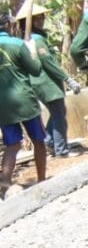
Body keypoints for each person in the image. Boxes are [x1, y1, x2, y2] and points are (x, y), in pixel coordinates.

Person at [20, 0, 82, 159]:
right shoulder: (37, 40)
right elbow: (48, 63)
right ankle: (61, 150)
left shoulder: (30, 39)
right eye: (37, 18)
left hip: (40, 83)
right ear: (30, 22)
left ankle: (50, 142)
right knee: (59, 114)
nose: (41, 20)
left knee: (57, 113)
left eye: (42, 17)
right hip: (46, 82)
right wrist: (68, 79)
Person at [0, 15, 47, 197]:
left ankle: (4, 185)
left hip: (3, 106)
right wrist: (32, 51)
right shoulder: (17, 44)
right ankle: (42, 180)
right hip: (24, 101)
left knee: (12, 145)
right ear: (8, 26)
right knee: (38, 141)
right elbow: (35, 69)